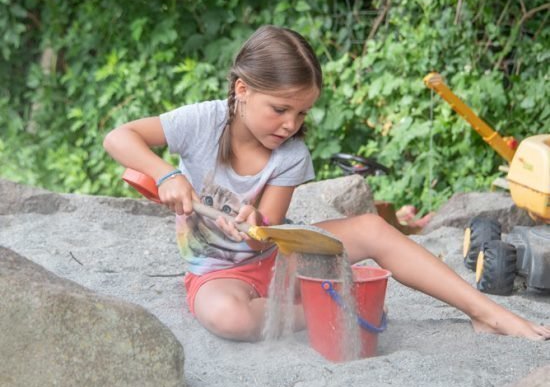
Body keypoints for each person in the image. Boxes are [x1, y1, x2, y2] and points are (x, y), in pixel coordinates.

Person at [103, 25, 550, 343]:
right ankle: (331, 308)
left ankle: (485, 313)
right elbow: (118, 137)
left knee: (373, 229)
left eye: (301, 114)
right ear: (241, 90)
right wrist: (168, 174)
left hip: (279, 260)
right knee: (228, 318)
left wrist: (254, 221)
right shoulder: (200, 121)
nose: (289, 124)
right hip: (218, 275)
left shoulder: (292, 153)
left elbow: (269, 231)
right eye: (279, 109)